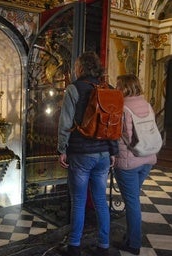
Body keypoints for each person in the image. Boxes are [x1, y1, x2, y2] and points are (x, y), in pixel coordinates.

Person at [57, 51, 118, 256]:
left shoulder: (74, 89)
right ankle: (103, 245)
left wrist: (62, 148)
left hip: (81, 153)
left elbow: (65, 123)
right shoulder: (108, 89)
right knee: (101, 200)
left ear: (80, 68)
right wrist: (113, 151)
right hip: (103, 152)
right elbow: (114, 123)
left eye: (76, 66)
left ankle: (74, 246)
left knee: (79, 200)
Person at [113, 74, 157, 255]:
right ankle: (131, 236)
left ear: (124, 87)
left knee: (132, 203)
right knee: (134, 200)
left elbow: (123, 137)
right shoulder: (147, 104)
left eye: (118, 85)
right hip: (147, 159)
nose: (116, 88)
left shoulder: (122, 108)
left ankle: (133, 244)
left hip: (129, 162)